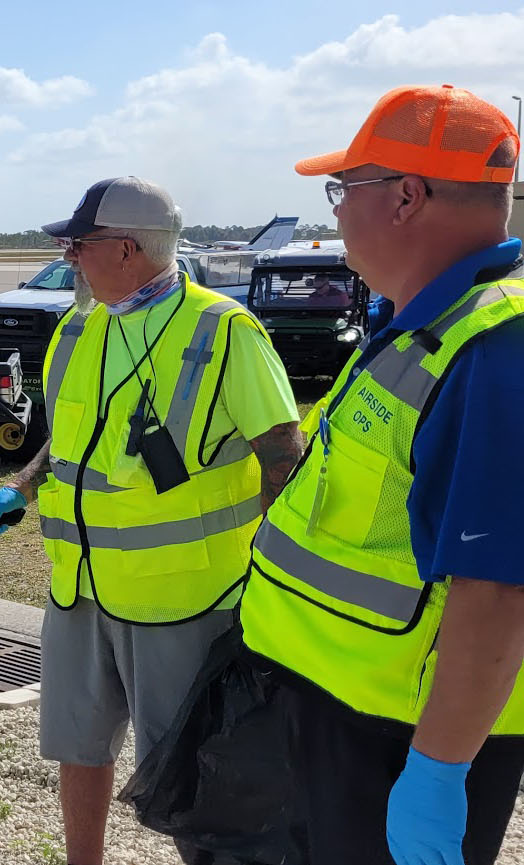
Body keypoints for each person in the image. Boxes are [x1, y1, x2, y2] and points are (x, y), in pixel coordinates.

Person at [230, 84, 524, 865]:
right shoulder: (419, 323)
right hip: (341, 710)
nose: (334, 212)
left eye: (341, 190)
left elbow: (497, 589)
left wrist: (437, 774)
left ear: (405, 197)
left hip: (402, 737)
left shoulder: (494, 349)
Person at [0, 177, 303, 865]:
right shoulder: (78, 325)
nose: (69, 256)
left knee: (192, 768)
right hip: (79, 586)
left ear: (127, 248)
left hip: (181, 598)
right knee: (77, 747)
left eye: (79, 243)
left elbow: (282, 456)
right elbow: (69, 442)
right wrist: (23, 486)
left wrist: (274, 580)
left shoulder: (223, 330)